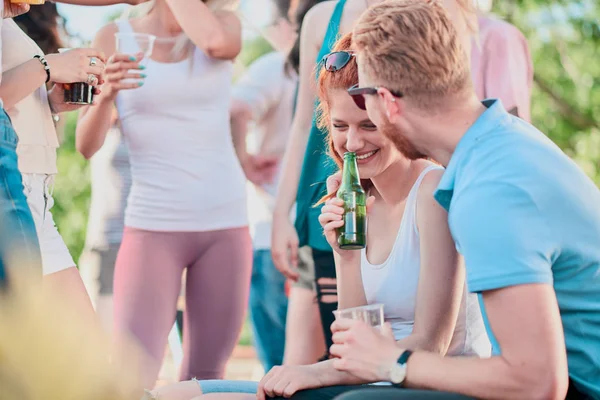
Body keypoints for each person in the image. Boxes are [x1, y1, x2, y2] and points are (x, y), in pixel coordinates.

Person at [145, 31, 491, 400]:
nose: (353, 144)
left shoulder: (432, 191)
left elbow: (429, 348)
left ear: (396, 115)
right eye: (341, 126)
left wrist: (316, 371)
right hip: (369, 385)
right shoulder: (359, 197)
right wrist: (346, 255)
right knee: (178, 394)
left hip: (433, 389)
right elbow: (352, 339)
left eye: (368, 126)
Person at [306, 1, 600, 399]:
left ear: (387, 103)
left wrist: (391, 363)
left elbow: (537, 382)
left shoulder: (489, 189)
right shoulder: (499, 144)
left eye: (364, 99)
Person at [76, 0, 251, 389]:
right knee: (130, 378)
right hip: (152, 225)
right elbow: (85, 146)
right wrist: (105, 97)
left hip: (225, 224)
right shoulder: (113, 36)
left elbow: (214, 43)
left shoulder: (224, 24)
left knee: (206, 379)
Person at [229, 0, 315, 371]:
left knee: (280, 362)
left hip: (272, 233)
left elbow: (235, 109)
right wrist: (245, 163)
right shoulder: (289, 68)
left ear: (284, 24)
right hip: (291, 225)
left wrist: (245, 162)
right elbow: (235, 110)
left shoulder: (278, 66)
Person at [78, 119, 130, 331]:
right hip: (106, 239)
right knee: (102, 332)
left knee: (137, 341)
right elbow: (84, 148)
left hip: (145, 237)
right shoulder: (101, 122)